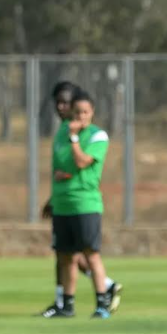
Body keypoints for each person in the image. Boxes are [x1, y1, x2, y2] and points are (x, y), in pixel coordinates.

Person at [39, 83, 121, 317]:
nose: (80, 116)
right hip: (63, 203)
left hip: (85, 203)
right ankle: (67, 305)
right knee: (66, 256)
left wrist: (74, 138)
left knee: (90, 254)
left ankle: (102, 303)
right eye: (77, 112)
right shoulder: (61, 133)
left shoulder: (97, 135)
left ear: (92, 112)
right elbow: (60, 168)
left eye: (85, 112)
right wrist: (53, 196)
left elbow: (82, 162)